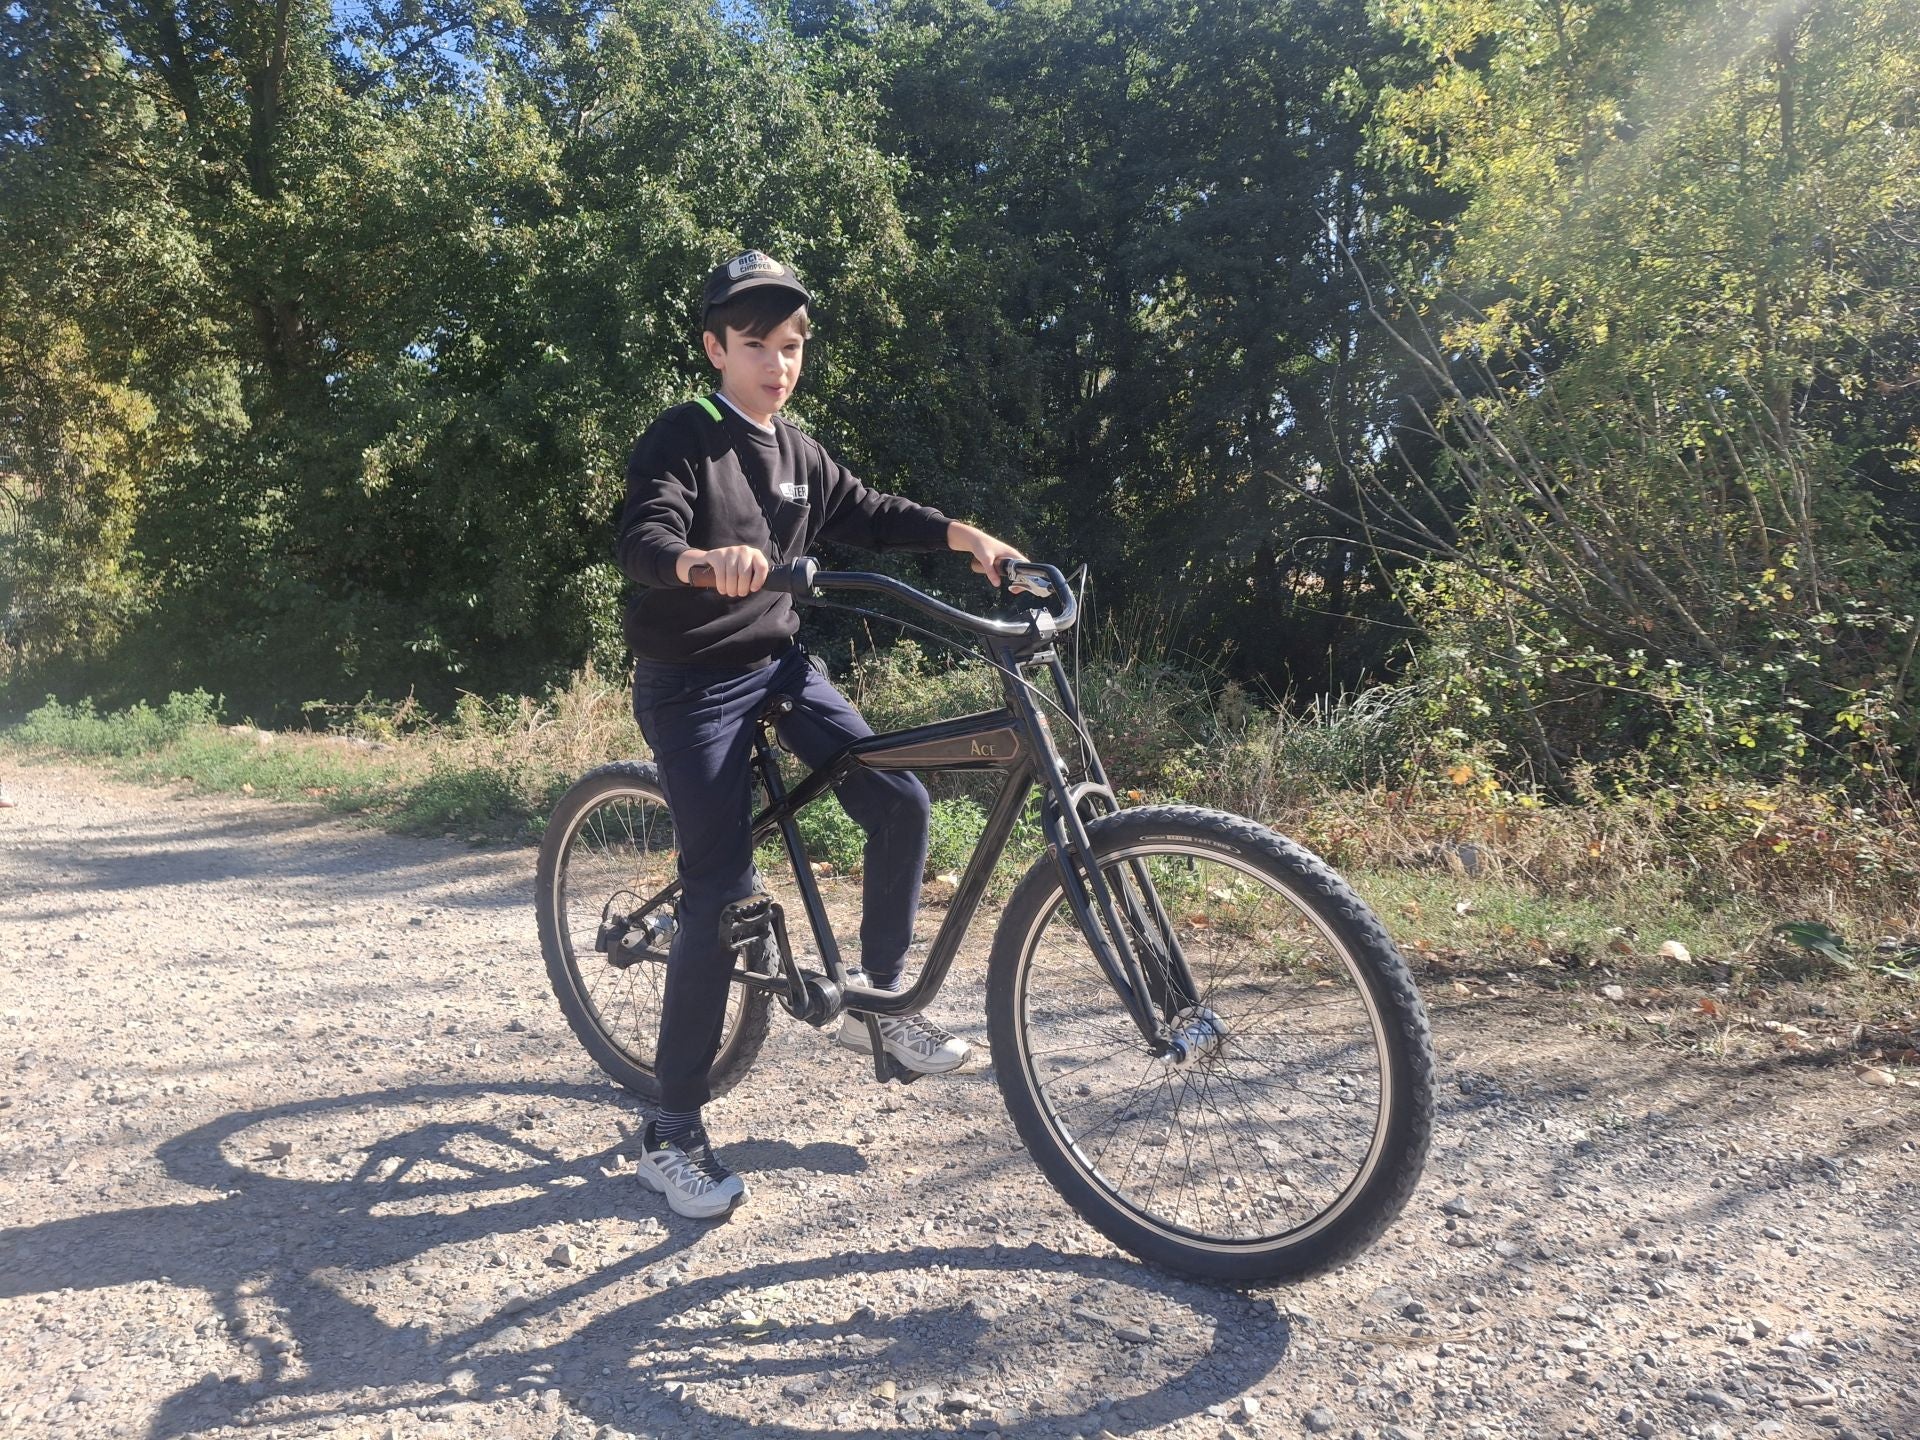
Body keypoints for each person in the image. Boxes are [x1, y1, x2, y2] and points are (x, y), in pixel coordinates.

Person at [614, 250, 1025, 1219]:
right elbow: (641, 534)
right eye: (755, 343)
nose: (777, 362)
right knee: (724, 894)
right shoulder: (686, 435)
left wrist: (967, 537)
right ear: (716, 346)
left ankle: (881, 1008)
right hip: (692, 688)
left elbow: (873, 513)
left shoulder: (798, 450)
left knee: (899, 798)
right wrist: (700, 562)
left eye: (791, 345)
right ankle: (669, 1130)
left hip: (780, 667)